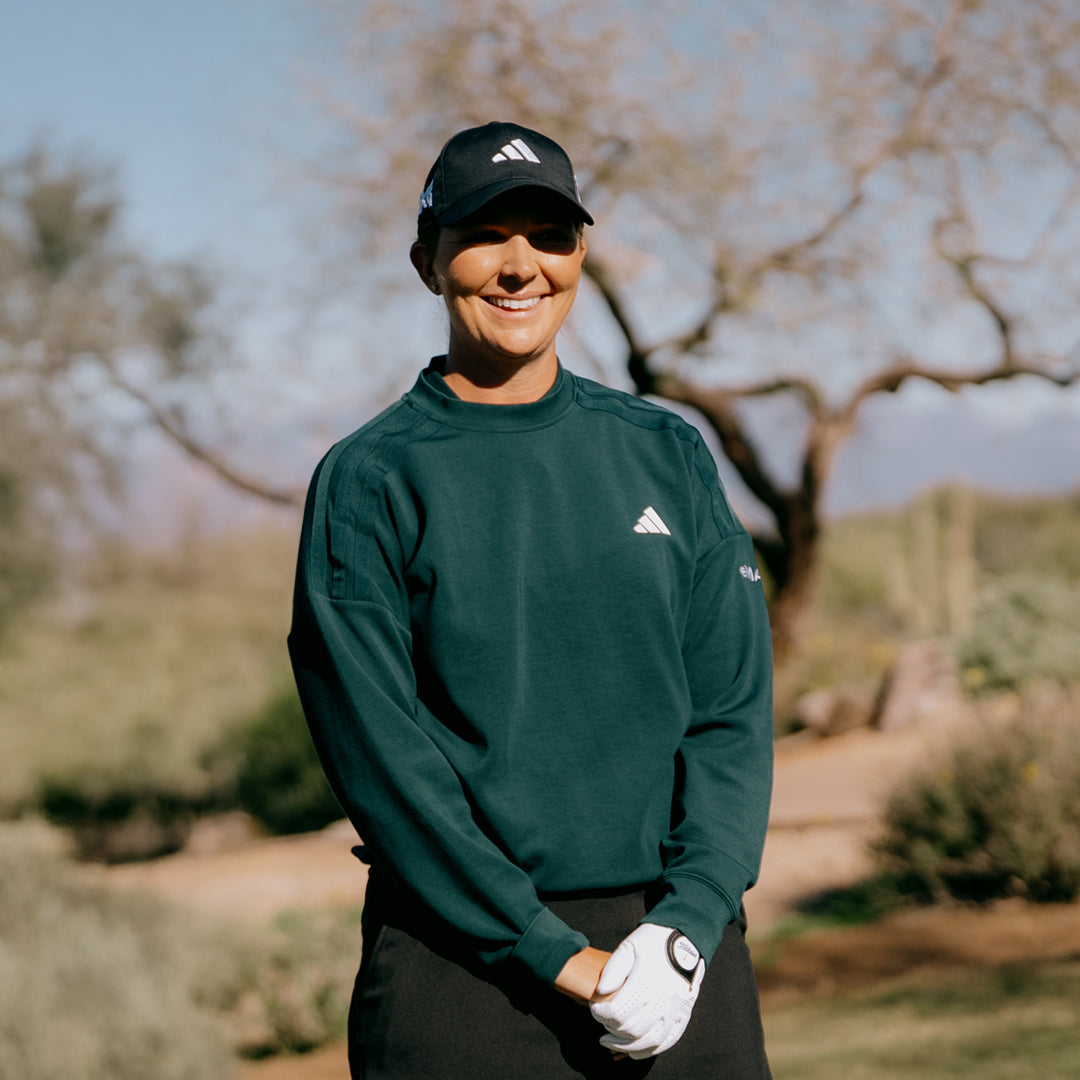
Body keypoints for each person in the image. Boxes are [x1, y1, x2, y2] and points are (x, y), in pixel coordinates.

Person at [288, 121, 775, 1079]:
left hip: (676, 956)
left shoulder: (665, 453)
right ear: (429, 262)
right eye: (484, 234)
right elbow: (383, 760)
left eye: (550, 236)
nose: (521, 267)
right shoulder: (370, 479)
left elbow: (730, 715)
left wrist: (687, 925)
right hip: (465, 967)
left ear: (580, 255)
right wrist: (558, 956)